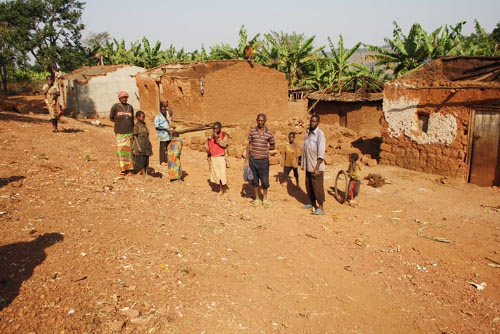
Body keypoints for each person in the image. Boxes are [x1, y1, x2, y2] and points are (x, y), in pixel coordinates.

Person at [246, 113, 275, 207]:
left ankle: (265, 199)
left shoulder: (269, 133)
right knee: (255, 181)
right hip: (253, 159)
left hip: (264, 161)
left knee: (265, 181)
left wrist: (266, 148)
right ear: (256, 120)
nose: (260, 122)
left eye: (262, 120)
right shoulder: (252, 132)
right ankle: (257, 199)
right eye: (259, 120)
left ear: (265, 121)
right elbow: (249, 145)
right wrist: (247, 159)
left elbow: (273, 145)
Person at [301, 114, 326, 215]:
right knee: (308, 185)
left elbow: (321, 153)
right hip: (308, 165)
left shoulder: (320, 135)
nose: (312, 123)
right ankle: (312, 203)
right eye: (311, 121)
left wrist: (317, 168)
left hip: (316, 166)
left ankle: (321, 207)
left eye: (314, 121)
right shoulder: (307, 132)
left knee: (317, 186)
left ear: (318, 122)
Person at [110, 91, 135, 176]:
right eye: (122, 98)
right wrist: (119, 124)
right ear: (119, 98)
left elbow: (132, 120)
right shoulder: (115, 107)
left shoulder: (130, 107)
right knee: (120, 151)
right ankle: (123, 169)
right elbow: (111, 118)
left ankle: (130, 169)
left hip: (129, 133)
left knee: (129, 152)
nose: (124, 99)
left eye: (125, 97)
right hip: (120, 133)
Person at [207, 122, 229, 194]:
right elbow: (207, 145)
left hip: (221, 157)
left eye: (217, 129)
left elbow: (224, 144)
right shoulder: (210, 135)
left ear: (220, 128)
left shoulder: (224, 135)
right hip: (213, 157)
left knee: (222, 174)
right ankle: (220, 189)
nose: (215, 130)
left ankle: (224, 190)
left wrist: (217, 138)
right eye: (214, 129)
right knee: (217, 174)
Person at [132, 110, 153, 177]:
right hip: (140, 144)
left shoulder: (144, 125)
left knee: (146, 159)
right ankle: (143, 173)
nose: (143, 118)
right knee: (140, 159)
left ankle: (146, 172)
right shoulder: (136, 126)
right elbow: (135, 136)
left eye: (144, 117)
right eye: (142, 117)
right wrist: (138, 146)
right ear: (138, 117)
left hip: (146, 145)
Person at [154, 101, 173, 166]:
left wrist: (171, 128)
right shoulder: (158, 117)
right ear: (160, 110)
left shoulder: (167, 115)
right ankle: (162, 161)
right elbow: (157, 127)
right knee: (162, 148)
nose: (164, 111)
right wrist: (165, 129)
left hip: (168, 135)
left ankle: (167, 159)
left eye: (165, 110)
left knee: (168, 147)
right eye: (163, 110)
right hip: (162, 135)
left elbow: (169, 122)